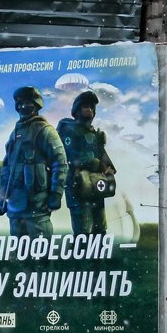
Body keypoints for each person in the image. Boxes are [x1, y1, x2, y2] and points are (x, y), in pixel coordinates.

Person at [0, 86, 68, 238]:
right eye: (20, 104)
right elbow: (6, 168)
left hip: (37, 206)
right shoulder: (14, 134)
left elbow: (60, 163)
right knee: (19, 249)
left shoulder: (45, 130)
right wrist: (1, 198)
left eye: (28, 103)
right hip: (15, 207)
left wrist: (56, 195)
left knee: (40, 249)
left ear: (36, 105)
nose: (23, 107)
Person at [57, 90, 116, 236]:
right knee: (83, 231)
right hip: (77, 185)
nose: (89, 109)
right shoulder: (68, 130)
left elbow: (101, 153)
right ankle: (82, 251)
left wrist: (108, 167)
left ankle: (98, 251)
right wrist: (94, 163)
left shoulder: (95, 134)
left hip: (95, 185)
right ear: (77, 110)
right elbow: (70, 156)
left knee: (100, 228)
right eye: (85, 106)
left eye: (91, 107)